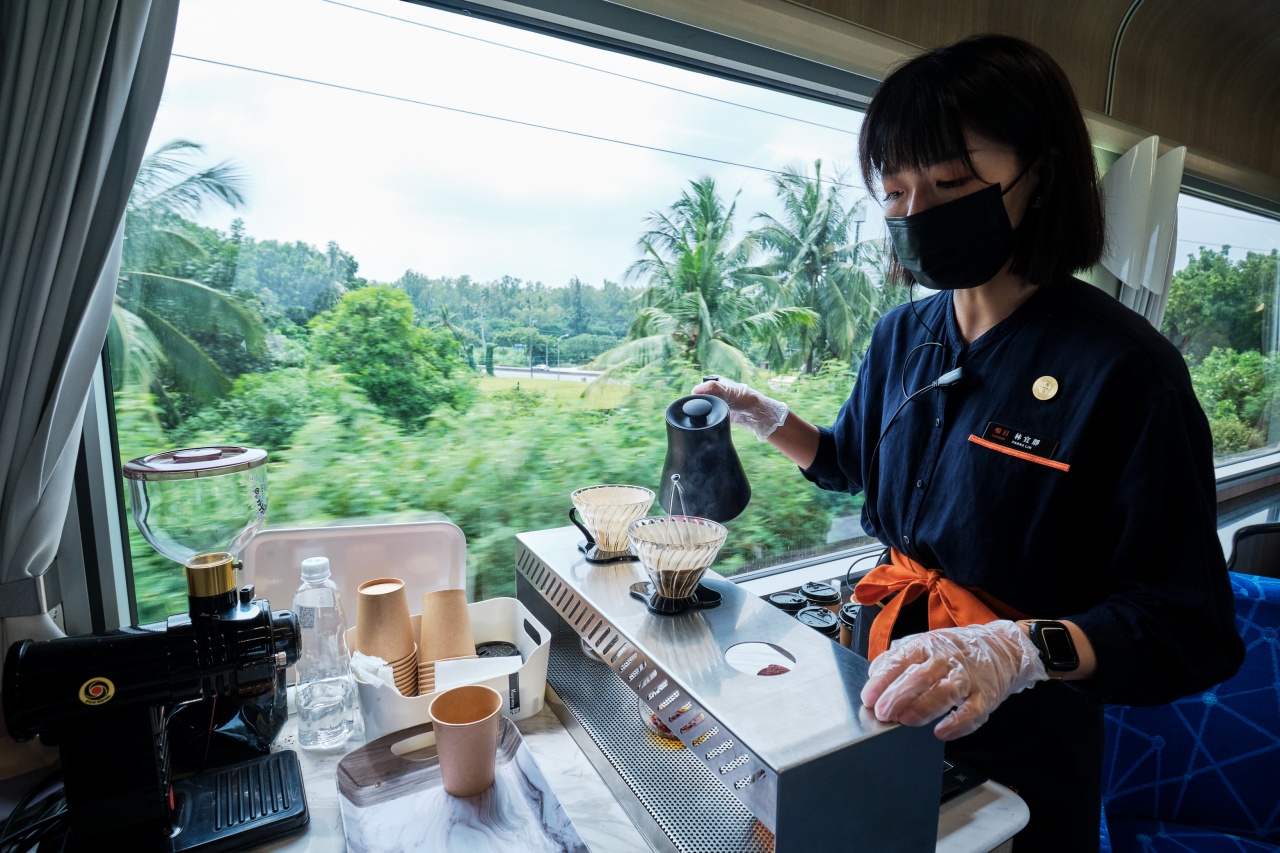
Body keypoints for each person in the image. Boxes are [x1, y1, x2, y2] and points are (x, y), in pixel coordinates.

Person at [696, 34, 1244, 851]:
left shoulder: (1127, 370)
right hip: (880, 689)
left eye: (951, 182)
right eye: (894, 190)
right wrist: (770, 418)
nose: (918, 213)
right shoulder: (900, 335)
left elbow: (1185, 624)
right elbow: (850, 462)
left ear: (1041, 175)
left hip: (1024, 739)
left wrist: (1011, 649)